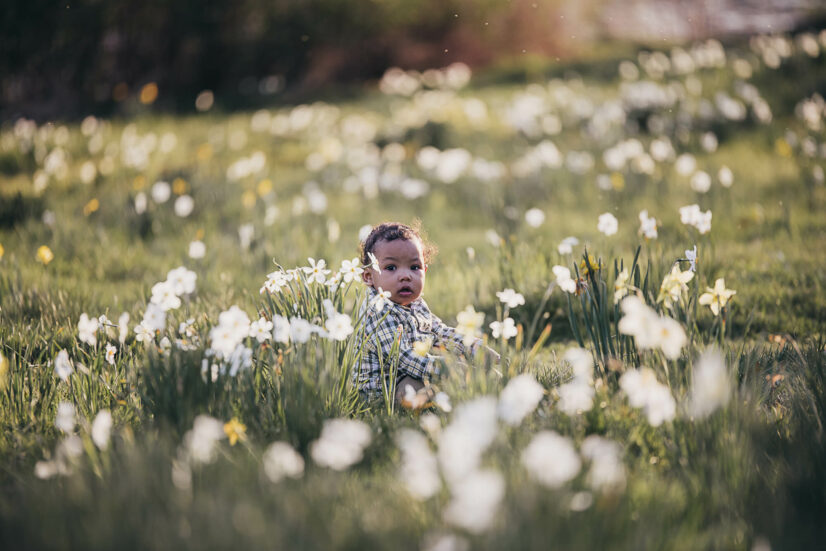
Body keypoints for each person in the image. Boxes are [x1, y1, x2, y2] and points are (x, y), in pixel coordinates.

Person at [355, 221, 494, 407]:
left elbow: (439, 333)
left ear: (425, 270)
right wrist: (446, 369)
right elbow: (402, 357)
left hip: (413, 373)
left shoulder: (415, 304)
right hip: (386, 392)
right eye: (391, 268)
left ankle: (487, 388)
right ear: (369, 277)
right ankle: (453, 395)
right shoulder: (376, 312)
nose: (405, 276)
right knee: (419, 385)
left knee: (457, 366)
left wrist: (475, 348)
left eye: (414, 267)